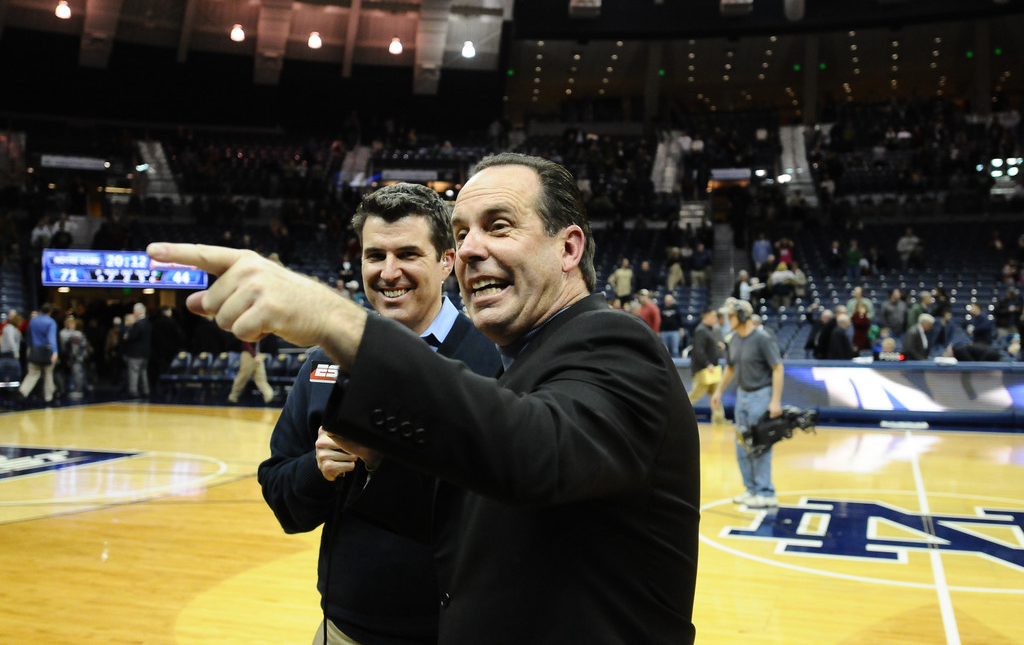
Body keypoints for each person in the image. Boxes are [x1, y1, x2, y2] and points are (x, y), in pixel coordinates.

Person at [151, 152, 700, 644]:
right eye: (462, 233)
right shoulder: (523, 359)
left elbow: (533, 452)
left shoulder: (615, 341)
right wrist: (347, 467)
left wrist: (333, 319)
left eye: (499, 226)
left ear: (569, 248)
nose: (472, 249)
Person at [260, 183, 502, 645]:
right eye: (375, 256)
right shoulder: (323, 363)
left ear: (447, 261)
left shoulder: (494, 358)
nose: (389, 272)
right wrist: (319, 470)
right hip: (346, 629)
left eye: (408, 254)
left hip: (462, 631)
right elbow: (281, 496)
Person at [712, 297, 783, 509]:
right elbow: (731, 368)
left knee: (760, 445)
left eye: (731, 315)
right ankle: (751, 490)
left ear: (742, 316)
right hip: (742, 396)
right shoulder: (733, 339)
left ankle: (766, 492)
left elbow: (777, 368)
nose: (727, 319)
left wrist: (775, 402)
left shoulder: (762, 338)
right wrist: (718, 390)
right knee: (742, 446)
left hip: (761, 396)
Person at [688, 306, 726, 424]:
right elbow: (698, 350)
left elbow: (707, 345)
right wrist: (707, 364)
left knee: (716, 393)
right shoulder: (701, 330)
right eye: (713, 316)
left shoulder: (709, 329)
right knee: (695, 395)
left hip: (712, 369)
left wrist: (717, 345)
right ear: (706, 316)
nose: (716, 318)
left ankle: (719, 419)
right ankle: (675, 412)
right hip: (703, 370)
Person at [19, 304, 59, 404]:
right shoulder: (51, 322)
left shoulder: (33, 320)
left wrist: (29, 348)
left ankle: (22, 392)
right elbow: (51, 338)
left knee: (32, 373)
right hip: (47, 351)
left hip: (35, 350)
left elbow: (29, 336)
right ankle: (48, 397)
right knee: (48, 374)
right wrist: (55, 351)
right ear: (50, 311)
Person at [227, 339, 275, 404]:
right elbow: (246, 344)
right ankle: (233, 397)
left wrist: (256, 355)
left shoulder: (260, 331)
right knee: (243, 377)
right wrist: (254, 355)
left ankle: (269, 396)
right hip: (248, 355)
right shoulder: (248, 330)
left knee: (261, 377)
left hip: (257, 354)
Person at [121, 303, 152, 399]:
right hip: (145, 353)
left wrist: (127, 336)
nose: (133, 313)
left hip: (135, 353)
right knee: (143, 372)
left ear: (138, 312)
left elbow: (133, 337)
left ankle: (133, 392)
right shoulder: (148, 323)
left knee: (134, 372)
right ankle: (146, 391)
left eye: (134, 311)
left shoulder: (138, 324)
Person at [659, 292, 684, 358]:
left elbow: (679, 319)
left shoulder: (676, 307)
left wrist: (681, 329)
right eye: (667, 300)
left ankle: (676, 364)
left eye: (670, 300)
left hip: (674, 331)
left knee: (675, 349)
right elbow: (658, 320)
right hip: (664, 331)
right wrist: (658, 331)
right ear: (665, 300)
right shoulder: (661, 307)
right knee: (664, 349)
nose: (669, 302)